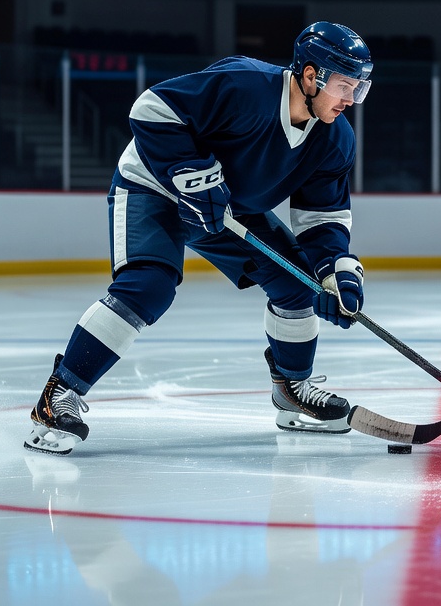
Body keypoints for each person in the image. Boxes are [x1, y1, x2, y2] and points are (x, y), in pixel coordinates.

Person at [25, 22, 374, 455]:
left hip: (227, 209)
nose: (349, 100)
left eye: (358, 89)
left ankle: (292, 391)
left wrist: (334, 272)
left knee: (299, 286)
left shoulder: (334, 138)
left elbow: (322, 217)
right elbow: (151, 109)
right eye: (344, 86)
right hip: (153, 186)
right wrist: (192, 174)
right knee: (149, 286)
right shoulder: (246, 85)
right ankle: (59, 395)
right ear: (308, 75)